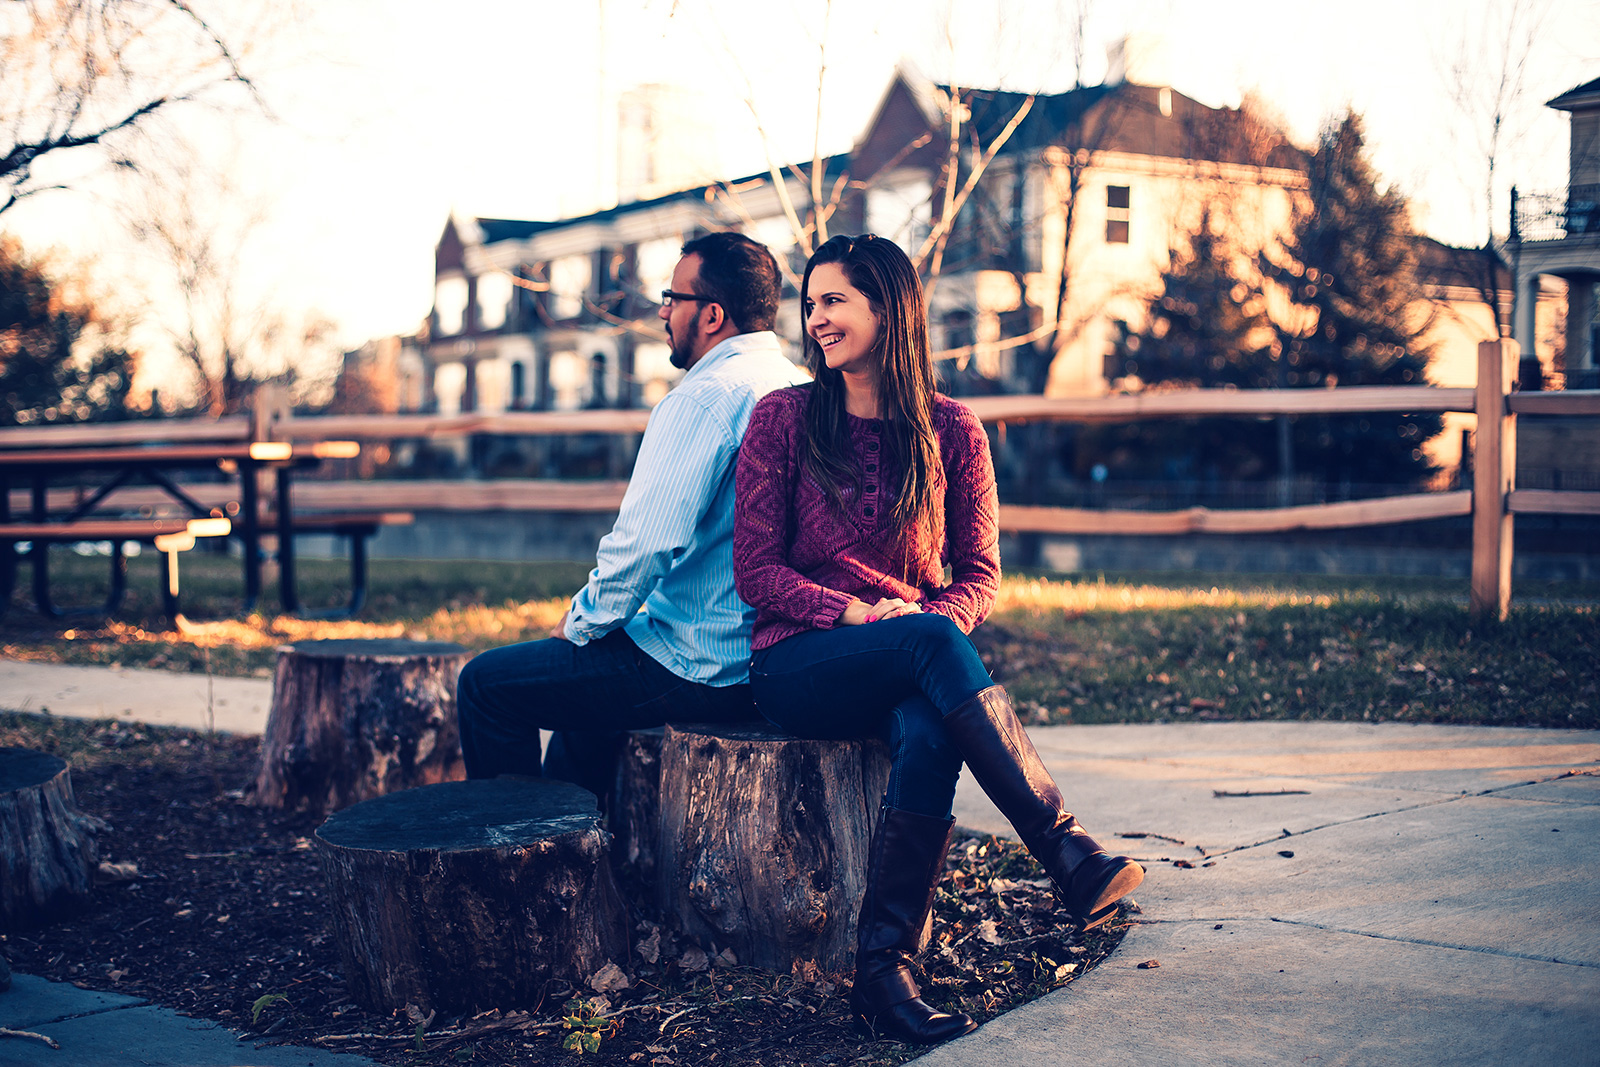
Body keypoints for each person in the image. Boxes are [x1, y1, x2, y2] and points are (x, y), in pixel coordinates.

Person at [732, 234, 1143, 1044]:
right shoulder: (781, 419)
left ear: (889, 308)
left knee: (929, 728)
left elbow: (979, 576)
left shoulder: (953, 429)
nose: (815, 320)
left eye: (834, 301)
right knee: (924, 646)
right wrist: (855, 614)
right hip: (797, 659)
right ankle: (1063, 849)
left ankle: (883, 973)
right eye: (809, 304)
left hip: (911, 659)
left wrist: (920, 625)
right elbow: (756, 570)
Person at [456, 232, 807, 797]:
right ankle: (580, 855)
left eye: (672, 298)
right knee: (583, 709)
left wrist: (580, 624)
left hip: (701, 662)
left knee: (485, 686)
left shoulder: (705, 397)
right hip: (770, 657)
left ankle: (512, 858)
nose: (663, 312)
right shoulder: (801, 387)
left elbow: (645, 544)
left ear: (713, 314)